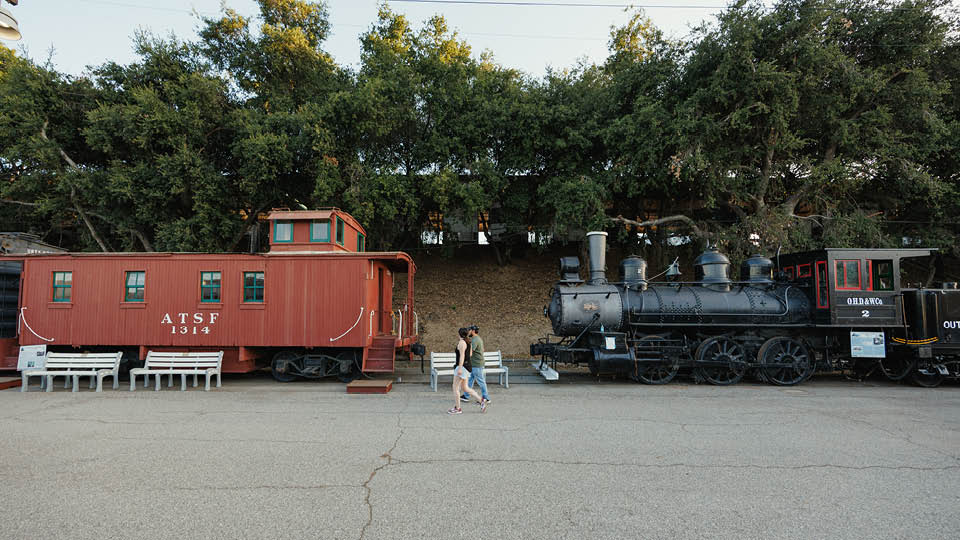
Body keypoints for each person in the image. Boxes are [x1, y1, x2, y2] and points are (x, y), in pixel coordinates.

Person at [448, 327, 482, 414]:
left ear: (459, 334)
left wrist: (459, 368)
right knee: (465, 388)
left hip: (462, 367)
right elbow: (470, 354)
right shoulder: (468, 342)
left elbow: (462, 356)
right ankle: (481, 401)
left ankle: (458, 408)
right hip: (467, 367)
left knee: (455, 388)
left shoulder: (462, 342)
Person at [461, 325, 489, 410]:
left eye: (469, 330)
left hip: (477, 364)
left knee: (481, 381)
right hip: (475, 364)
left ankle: (486, 398)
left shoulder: (475, 340)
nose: (468, 332)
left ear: (473, 331)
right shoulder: (477, 339)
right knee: (470, 380)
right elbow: (483, 349)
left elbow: (470, 353)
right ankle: (466, 395)